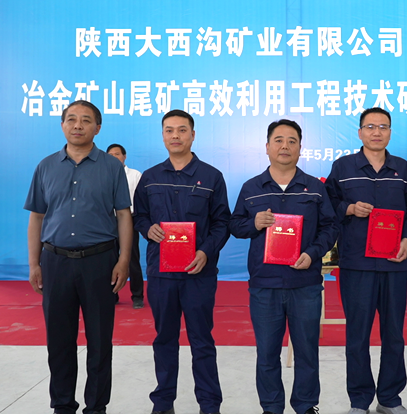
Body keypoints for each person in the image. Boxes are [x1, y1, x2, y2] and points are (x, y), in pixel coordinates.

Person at [24, 100, 132, 414]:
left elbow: (123, 215)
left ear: (97, 128)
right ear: (62, 125)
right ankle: (62, 405)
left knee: (100, 342)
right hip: (55, 262)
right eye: (71, 119)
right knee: (59, 342)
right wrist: (34, 263)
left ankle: (96, 407)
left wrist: (124, 260)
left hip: (100, 262)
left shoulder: (112, 167)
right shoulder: (46, 166)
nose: (78, 125)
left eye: (86, 120)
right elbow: (37, 217)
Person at [229, 119, 338, 414]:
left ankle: (306, 406)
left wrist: (313, 254)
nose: (285, 146)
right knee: (267, 353)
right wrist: (254, 223)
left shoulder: (315, 188)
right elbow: (235, 225)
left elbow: (330, 227)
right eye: (278, 140)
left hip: (305, 284)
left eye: (292, 141)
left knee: (307, 352)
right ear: (267, 147)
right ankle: (271, 407)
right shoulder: (251, 188)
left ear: (301, 148)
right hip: (265, 285)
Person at [325, 107, 407, 414]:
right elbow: (327, 203)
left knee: (394, 334)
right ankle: (359, 401)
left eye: (383, 126)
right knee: (357, 335)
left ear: (390, 132)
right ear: (360, 132)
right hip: (357, 264)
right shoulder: (343, 167)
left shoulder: (402, 169)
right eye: (370, 126)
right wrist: (349, 208)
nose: (376, 132)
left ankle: (390, 399)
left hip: (394, 262)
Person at [133, 110, 230, 414]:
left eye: (182, 130)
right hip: (161, 273)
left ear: (193, 135)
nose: (175, 135)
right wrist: (147, 228)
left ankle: (210, 405)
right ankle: (163, 404)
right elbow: (140, 216)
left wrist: (206, 252)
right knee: (164, 340)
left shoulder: (212, 177)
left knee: (202, 341)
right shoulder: (150, 178)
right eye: (169, 130)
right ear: (163, 135)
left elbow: (222, 223)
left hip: (198, 274)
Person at [107, 143, 145, 308]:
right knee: (109, 259)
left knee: (132, 258)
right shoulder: (102, 175)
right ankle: (111, 295)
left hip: (129, 220)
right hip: (108, 221)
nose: (114, 157)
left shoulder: (135, 175)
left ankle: (137, 296)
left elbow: (141, 200)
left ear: (124, 156)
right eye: (110, 155)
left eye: (117, 154)